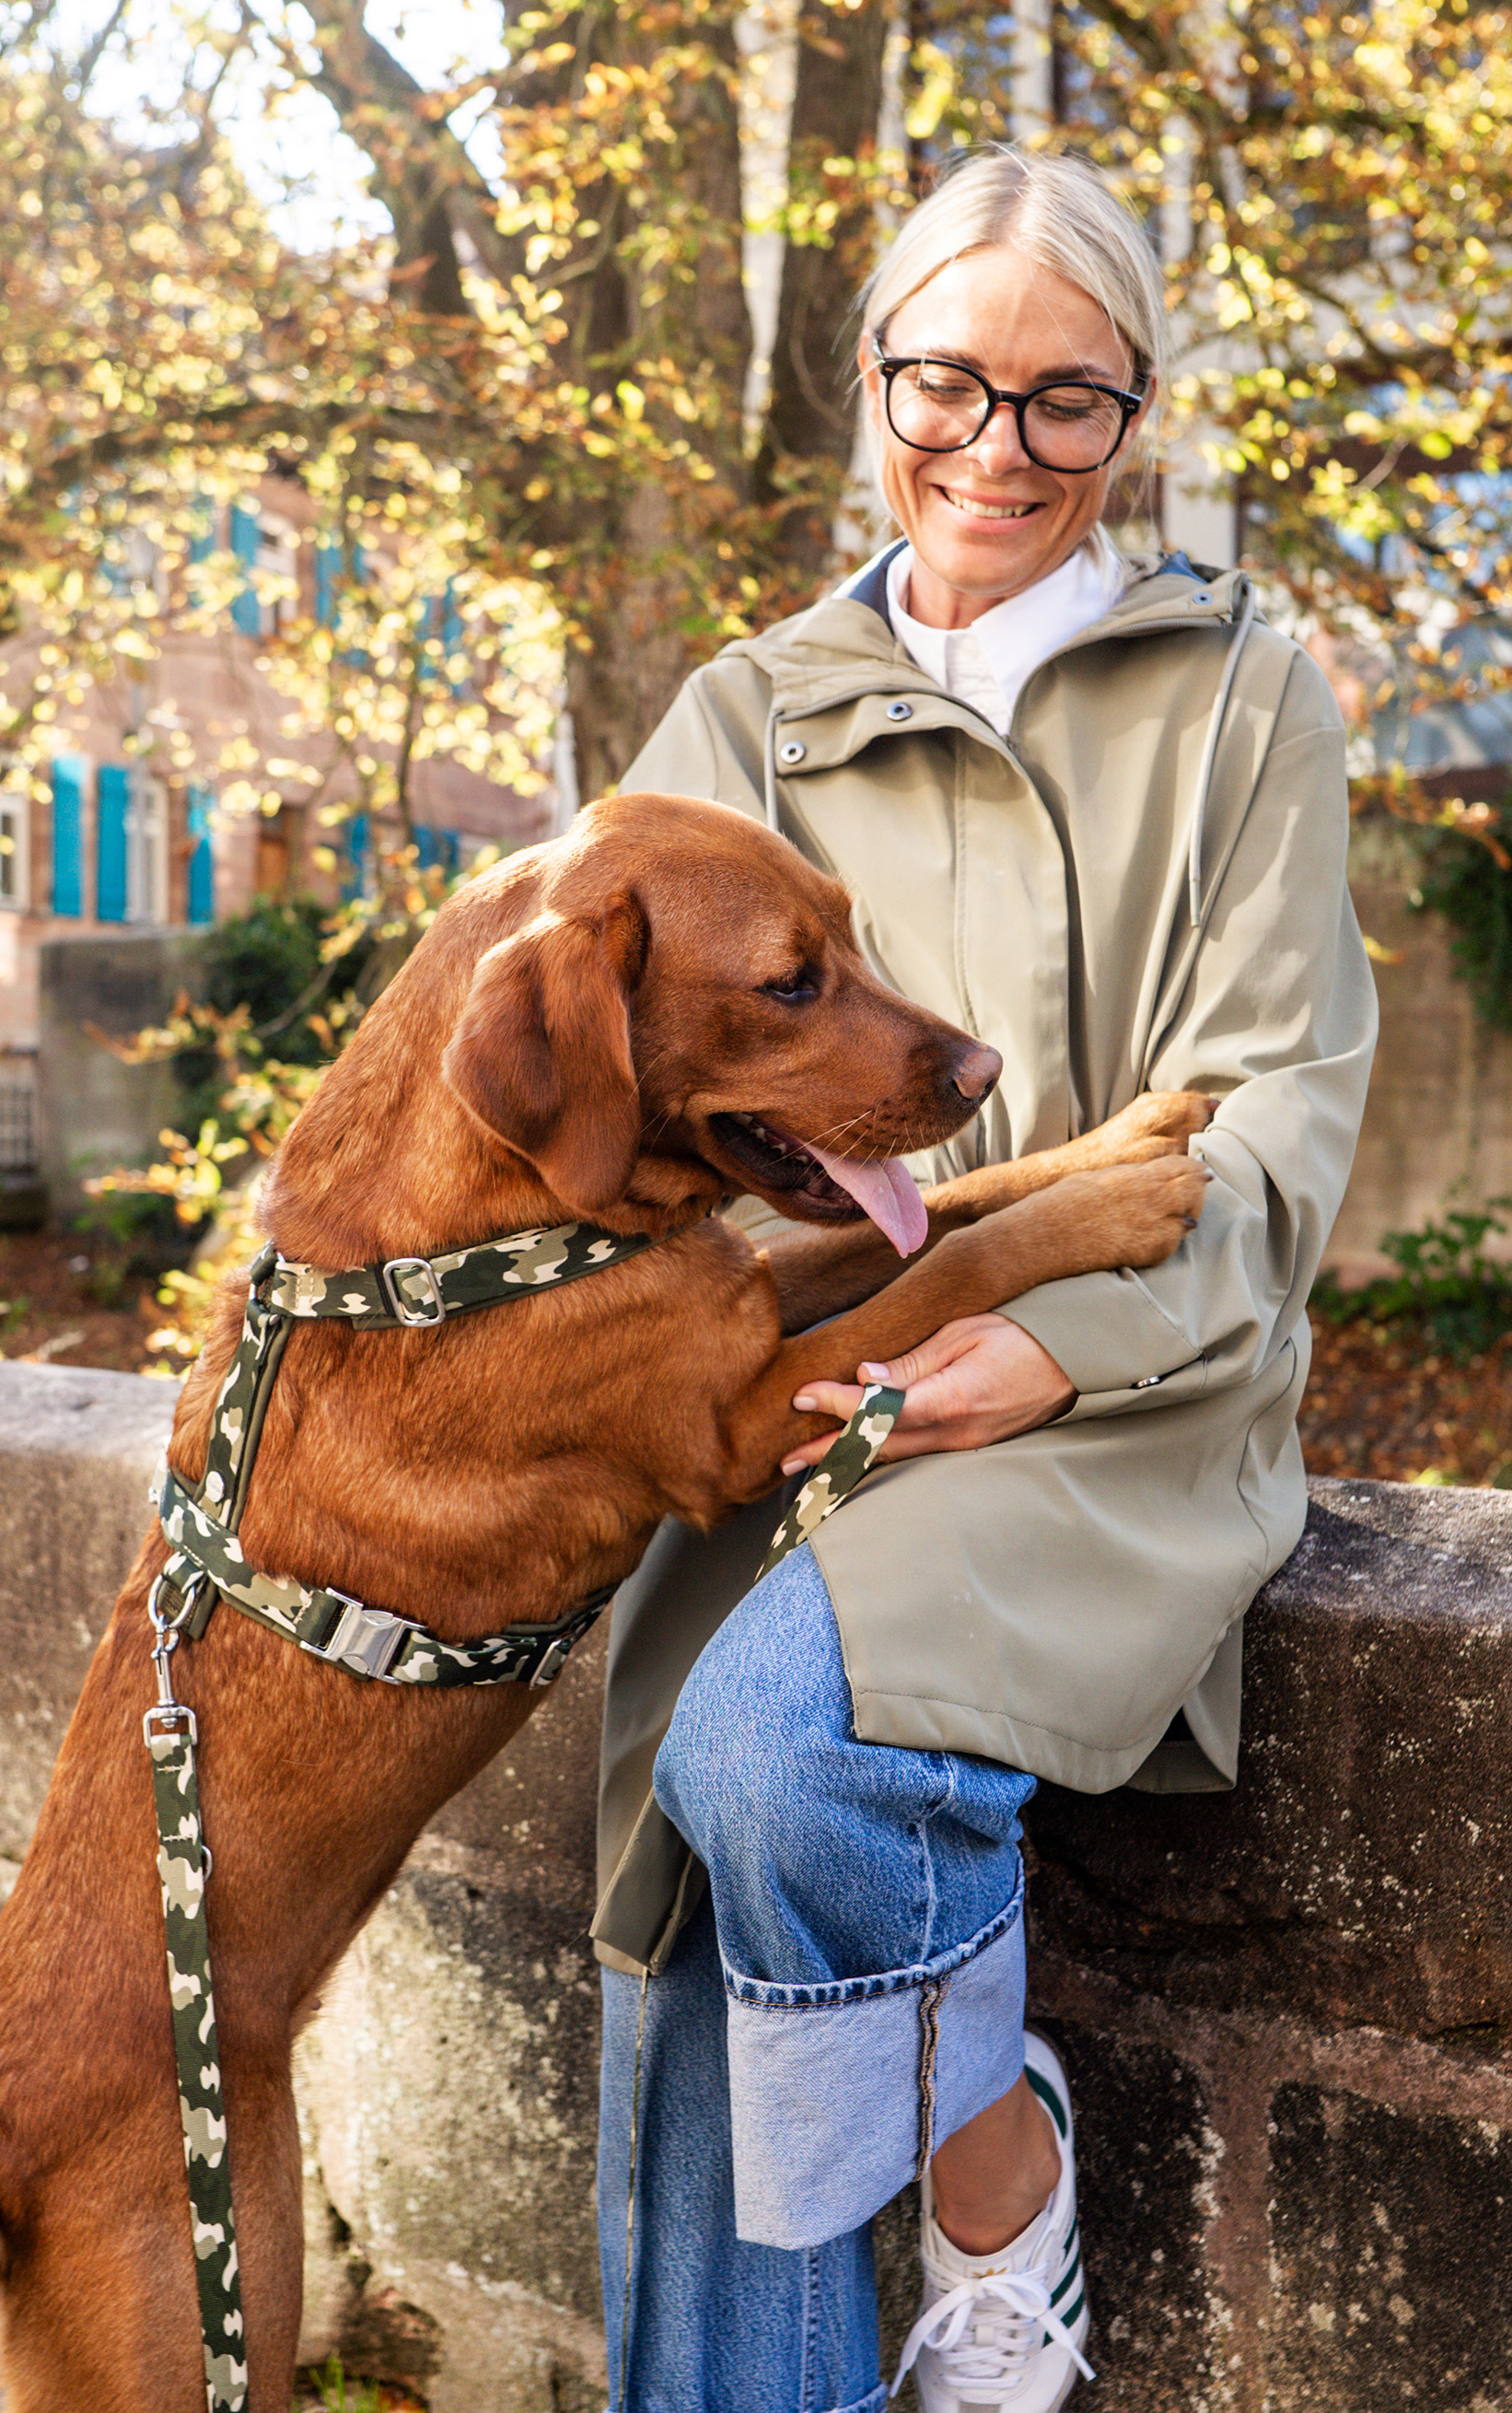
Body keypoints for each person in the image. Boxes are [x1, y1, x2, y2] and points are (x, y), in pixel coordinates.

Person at [590, 145, 1377, 2413]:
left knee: (769, 1751)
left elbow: (1269, 1113)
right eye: (947, 382)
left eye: (1066, 400)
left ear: (1135, 412)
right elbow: (627, 1111)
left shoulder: (1238, 692)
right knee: (698, 1882)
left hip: (1130, 1391)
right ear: (873, 377)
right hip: (806, 1381)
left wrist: (1041, 1328)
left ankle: (991, 2167)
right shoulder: (746, 713)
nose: (998, 450)